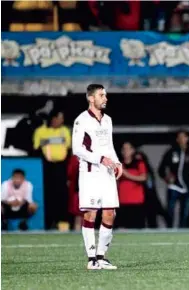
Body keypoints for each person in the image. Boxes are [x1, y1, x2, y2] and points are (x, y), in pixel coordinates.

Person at [72, 84, 122, 270]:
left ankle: (101, 257)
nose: (105, 98)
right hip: (90, 173)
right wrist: (100, 159)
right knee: (90, 213)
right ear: (91, 98)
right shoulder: (81, 120)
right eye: (101, 95)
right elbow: (77, 149)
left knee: (110, 214)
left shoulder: (107, 120)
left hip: (107, 173)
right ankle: (91, 258)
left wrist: (117, 163)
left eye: (105, 95)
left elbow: (109, 146)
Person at [33, 109, 71, 230]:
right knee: (48, 195)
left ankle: (63, 223)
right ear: (53, 119)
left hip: (61, 166)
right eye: (60, 118)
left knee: (62, 195)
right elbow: (35, 146)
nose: (62, 120)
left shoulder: (64, 130)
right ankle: (48, 223)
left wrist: (48, 141)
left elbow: (68, 145)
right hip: (46, 167)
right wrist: (52, 141)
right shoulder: (40, 131)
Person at [158, 130, 189, 228]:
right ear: (177, 139)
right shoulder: (171, 152)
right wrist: (167, 178)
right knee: (170, 211)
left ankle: (182, 233)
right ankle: (169, 230)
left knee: (185, 213)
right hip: (174, 187)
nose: (182, 139)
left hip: (187, 187)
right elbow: (161, 169)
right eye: (179, 137)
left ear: (187, 138)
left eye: (184, 137)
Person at [117, 142, 147, 229]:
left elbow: (143, 177)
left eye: (128, 149)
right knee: (123, 229)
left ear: (132, 150)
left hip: (136, 202)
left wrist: (126, 174)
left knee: (137, 228)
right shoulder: (119, 164)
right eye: (124, 149)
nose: (126, 151)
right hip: (122, 202)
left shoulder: (139, 163)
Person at [67, 154, 82, 231]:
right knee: (78, 216)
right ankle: (78, 232)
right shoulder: (74, 159)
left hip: (89, 190)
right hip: (78, 191)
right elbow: (70, 173)